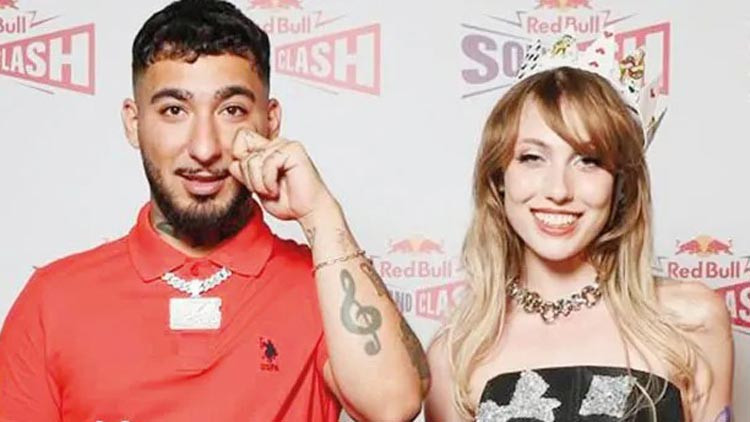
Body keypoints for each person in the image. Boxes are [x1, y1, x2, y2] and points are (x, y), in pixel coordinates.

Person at [0, 1, 428, 420]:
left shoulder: (321, 284)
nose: (204, 148)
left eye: (231, 111)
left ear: (270, 122)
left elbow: (393, 405)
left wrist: (321, 213)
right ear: (134, 123)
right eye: (174, 110)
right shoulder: (53, 299)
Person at [425, 33, 733, 422]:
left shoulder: (691, 320)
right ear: (499, 177)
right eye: (533, 157)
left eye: (588, 160)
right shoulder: (457, 354)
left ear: (620, 184)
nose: (558, 190)